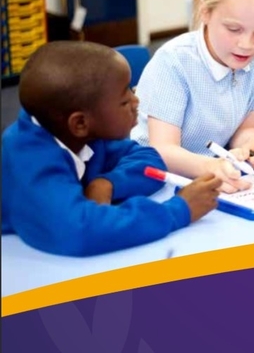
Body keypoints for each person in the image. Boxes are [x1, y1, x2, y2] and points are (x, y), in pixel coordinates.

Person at [1, 41, 222, 256]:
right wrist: (180, 209)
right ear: (79, 123)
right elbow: (80, 231)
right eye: (124, 101)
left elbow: (150, 159)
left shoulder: (84, 135)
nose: (136, 101)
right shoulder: (30, 159)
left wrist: (107, 183)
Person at [131, 0, 254, 193]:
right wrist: (213, 166)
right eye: (233, 29)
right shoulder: (175, 61)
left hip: (210, 179)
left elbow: (247, 129)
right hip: (149, 179)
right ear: (206, 13)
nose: (247, 44)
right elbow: (162, 149)